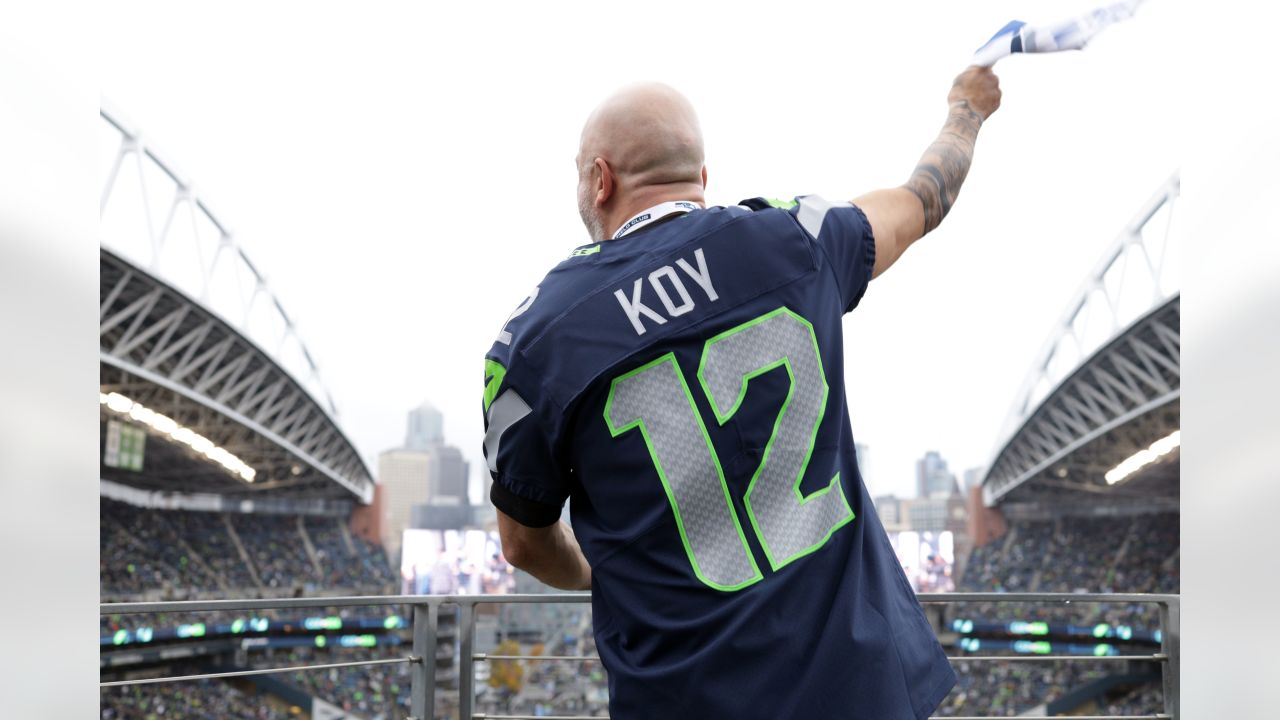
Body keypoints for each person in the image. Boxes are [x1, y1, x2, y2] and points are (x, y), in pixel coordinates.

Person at [482, 66, 1001, 719]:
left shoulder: (536, 340)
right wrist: (966, 110)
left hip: (686, 698)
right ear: (702, 179)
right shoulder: (792, 240)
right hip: (859, 688)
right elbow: (922, 199)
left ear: (600, 179)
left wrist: (595, 574)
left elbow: (523, 542)